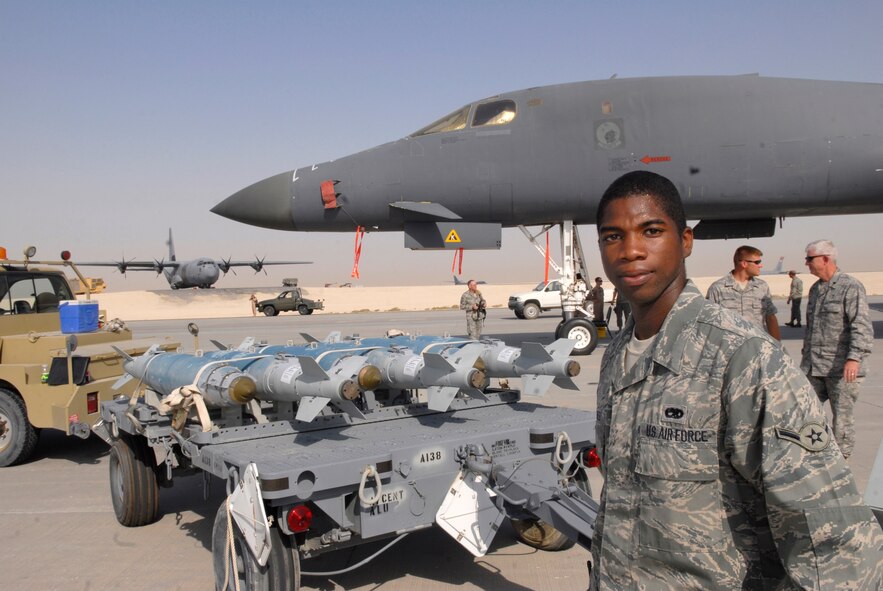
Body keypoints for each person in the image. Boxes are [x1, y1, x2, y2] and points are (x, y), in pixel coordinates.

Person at [591, 170, 882, 590]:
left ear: (685, 241)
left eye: (651, 231)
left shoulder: (744, 358)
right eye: (612, 237)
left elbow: (835, 546)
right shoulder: (618, 354)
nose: (631, 250)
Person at [801, 240, 873, 460]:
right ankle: (814, 455)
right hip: (814, 367)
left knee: (842, 420)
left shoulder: (850, 286)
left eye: (809, 259)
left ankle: (841, 461)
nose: (806, 263)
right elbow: (812, 330)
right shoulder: (816, 290)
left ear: (825, 259)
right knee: (803, 412)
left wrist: (853, 359)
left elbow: (861, 326)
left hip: (841, 369)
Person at [706, 245, 781, 340]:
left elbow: (770, 317)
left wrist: (778, 347)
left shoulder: (762, 287)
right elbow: (708, 322)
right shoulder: (718, 288)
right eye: (757, 262)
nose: (760, 265)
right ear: (744, 263)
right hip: (729, 351)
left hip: (757, 348)